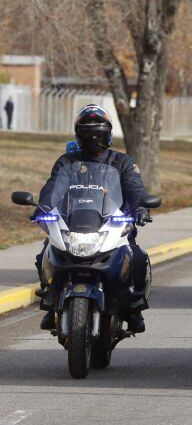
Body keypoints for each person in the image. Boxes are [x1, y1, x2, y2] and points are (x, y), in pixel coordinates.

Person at [35, 104, 151, 333]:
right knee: (45, 253)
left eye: (98, 134)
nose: (93, 139)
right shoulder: (67, 162)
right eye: (88, 134)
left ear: (107, 134)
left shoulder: (122, 162)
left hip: (113, 225)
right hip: (73, 224)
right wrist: (43, 208)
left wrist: (140, 208)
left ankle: (134, 309)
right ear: (79, 135)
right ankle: (50, 303)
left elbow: (135, 189)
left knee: (136, 257)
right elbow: (52, 189)